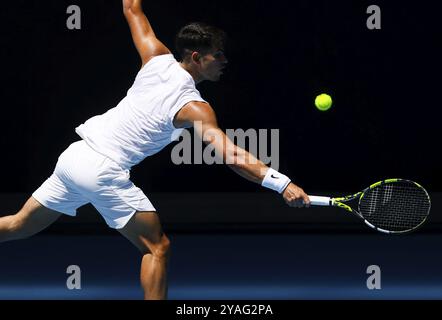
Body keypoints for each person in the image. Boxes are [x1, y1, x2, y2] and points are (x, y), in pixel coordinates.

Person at [0, 0, 310, 300]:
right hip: (102, 170)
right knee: (157, 248)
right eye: (218, 55)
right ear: (196, 57)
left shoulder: (155, 57)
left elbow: (131, 7)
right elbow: (231, 155)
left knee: (18, 225)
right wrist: (281, 183)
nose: (225, 61)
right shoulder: (195, 108)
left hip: (74, 157)